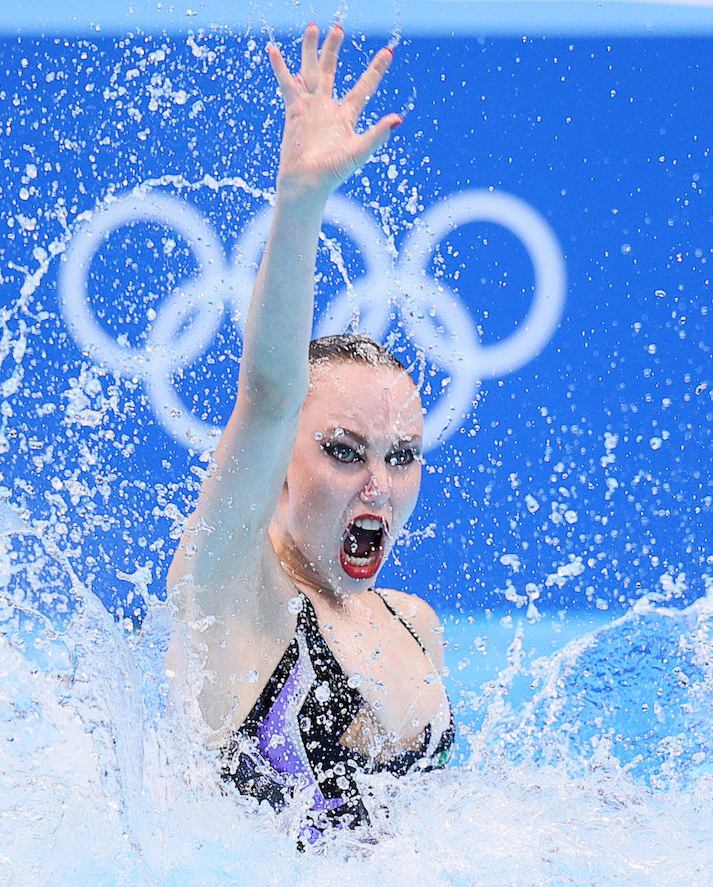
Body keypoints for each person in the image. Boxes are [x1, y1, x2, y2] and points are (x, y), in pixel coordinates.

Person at [167, 23, 453, 843]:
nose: (379, 486)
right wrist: (299, 206)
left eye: (401, 457)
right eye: (343, 451)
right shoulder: (230, 593)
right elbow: (267, 391)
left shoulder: (413, 625)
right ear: (281, 464)